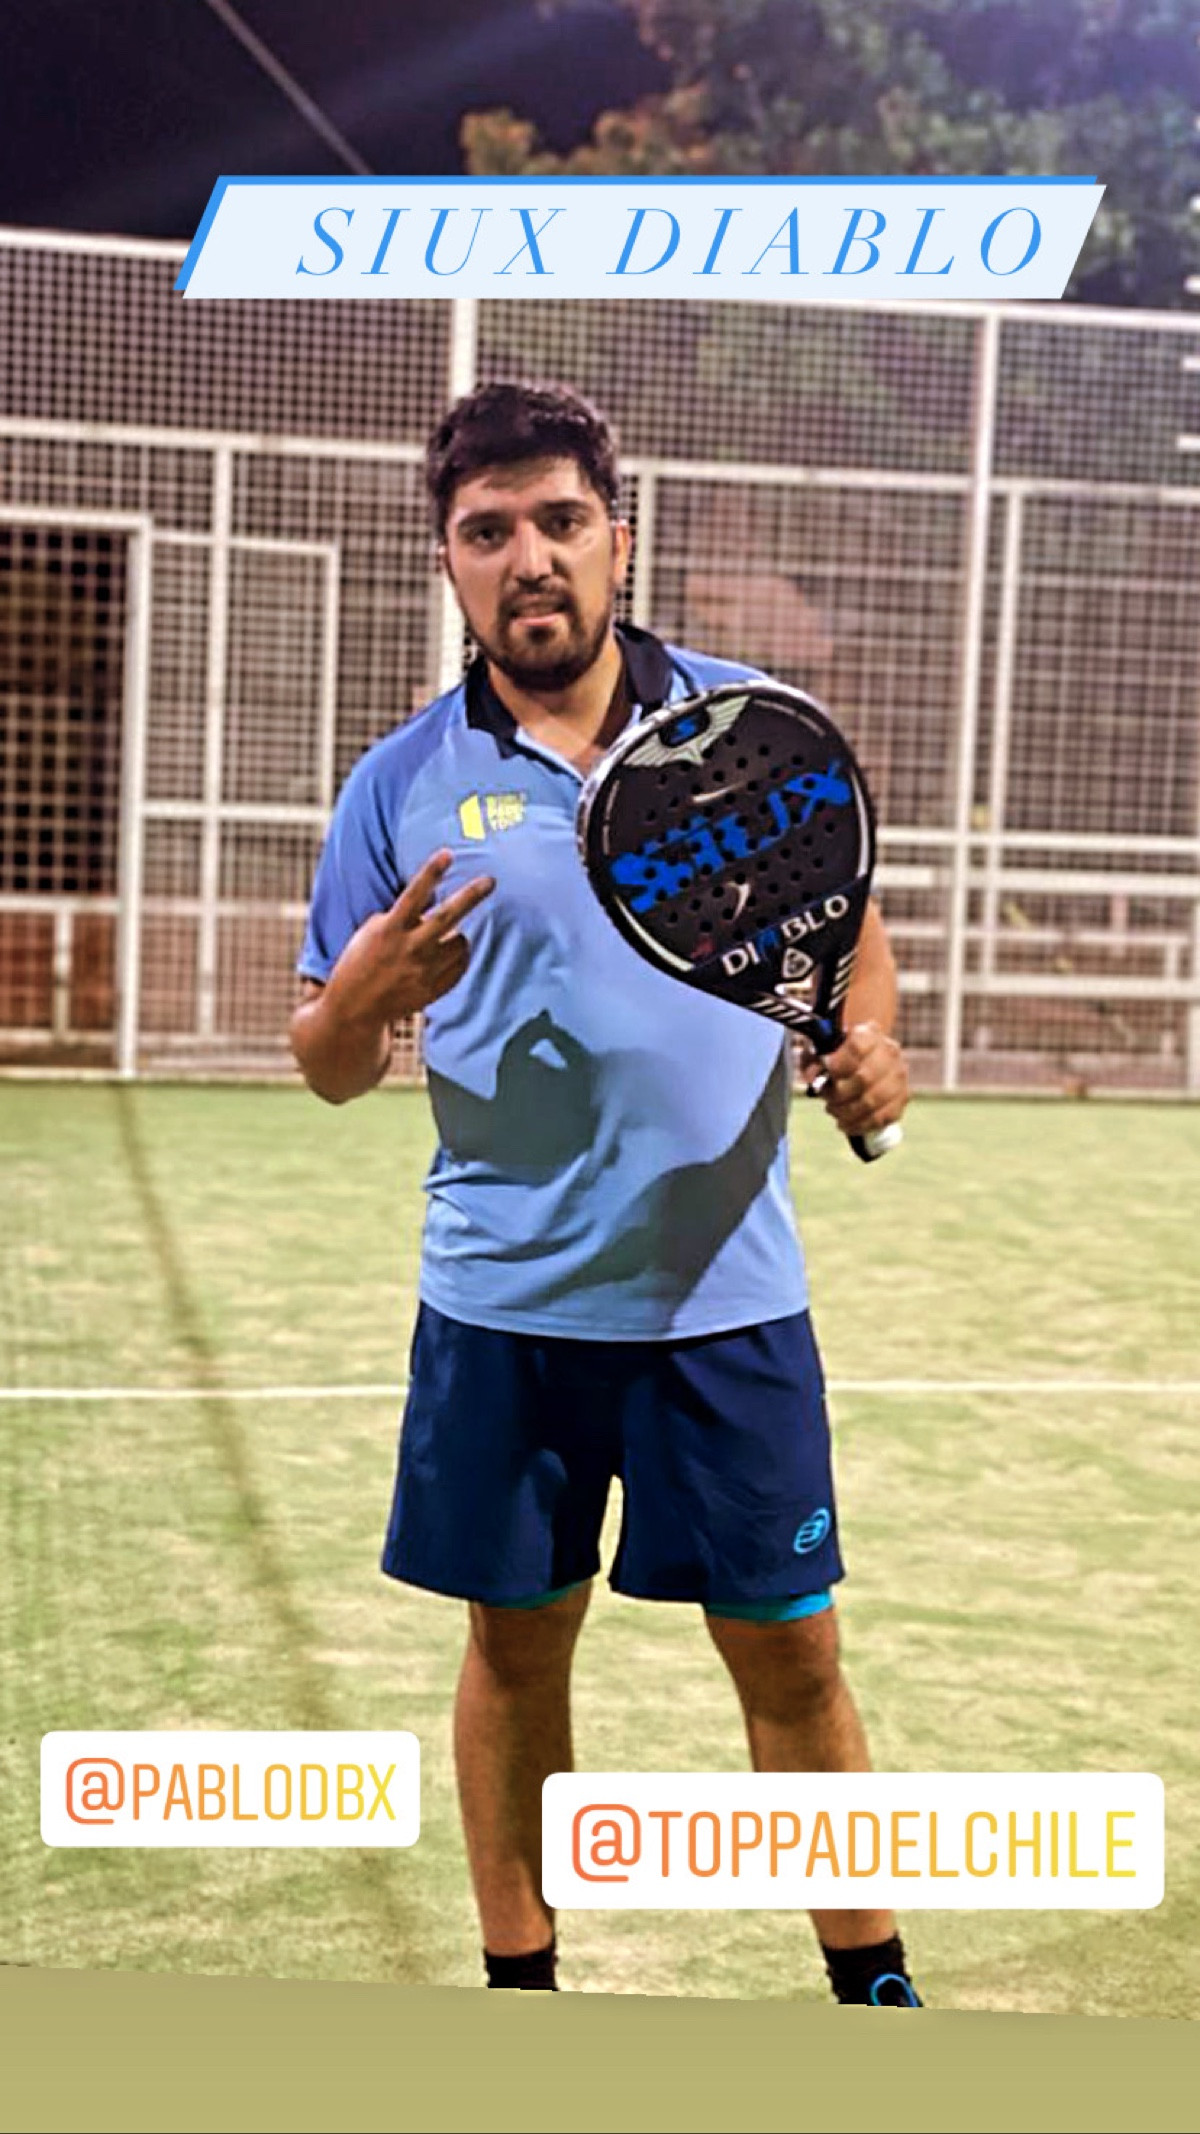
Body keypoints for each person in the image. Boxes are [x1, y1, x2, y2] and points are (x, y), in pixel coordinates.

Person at [290, 381, 918, 2007]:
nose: (531, 558)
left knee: (794, 1654)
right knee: (515, 1647)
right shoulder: (399, 785)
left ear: (619, 540)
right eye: (488, 530)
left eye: (561, 520)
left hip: (730, 1302)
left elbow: (849, 933)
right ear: (450, 561)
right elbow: (328, 1062)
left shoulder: (748, 733)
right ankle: (526, 1992)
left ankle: (874, 1988)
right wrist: (361, 995)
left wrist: (874, 1047)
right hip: (504, 1305)